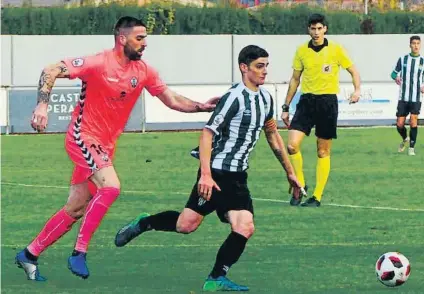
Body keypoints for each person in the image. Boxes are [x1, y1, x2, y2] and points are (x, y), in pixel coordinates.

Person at [15, 16, 219, 281]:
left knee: (75, 209)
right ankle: (79, 252)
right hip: (83, 137)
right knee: (111, 186)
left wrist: (201, 107)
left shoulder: (144, 70)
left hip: (105, 147)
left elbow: (170, 98)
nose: (144, 43)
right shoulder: (98, 62)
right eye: (139, 38)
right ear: (122, 39)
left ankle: (29, 254)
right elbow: (50, 70)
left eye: (145, 37)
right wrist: (43, 105)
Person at [114, 45, 304, 292]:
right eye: (259, 66)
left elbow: (272, 133)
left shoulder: (266, 98)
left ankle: (215, 278)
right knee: (186, 225)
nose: (264, 71)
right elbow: (207, 133)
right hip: (216, 172)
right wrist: (205, 174)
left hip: (238, 176)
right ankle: (145, 223)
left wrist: (290, 172)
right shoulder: (233, 98)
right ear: (243, 68)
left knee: (244, 226)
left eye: (266, 65)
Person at [281, 13, 361, 207]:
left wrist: (357, 90)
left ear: (325, 29)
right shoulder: (301, 51)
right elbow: (295, 79)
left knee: (322, 151)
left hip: (327, 103)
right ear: (308, 30)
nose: (316, 32)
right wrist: (285, 106)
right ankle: (299, 185)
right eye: (312, 28)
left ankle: (316, 196)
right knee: (292, 146)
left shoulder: (336, 49)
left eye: (319, 28)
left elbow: (353, 70)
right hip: (306, 102)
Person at [391, 35, 424, 156]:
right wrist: (396, 77)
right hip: (403, 97)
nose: (416, 45)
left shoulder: (422, 62)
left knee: (413, 121)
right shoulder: (403, 59)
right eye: (413, 43)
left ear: (420, 45)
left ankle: (411, 148)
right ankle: (405, 138)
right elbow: (393, 74)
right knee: (400, 124)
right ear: (410, 45)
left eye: (418, 43)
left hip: (416, 97)